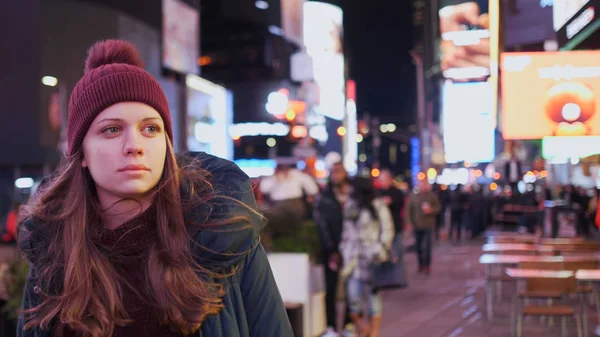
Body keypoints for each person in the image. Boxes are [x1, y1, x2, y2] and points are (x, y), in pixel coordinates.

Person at [17, 40, 292, 337]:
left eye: (150, 129)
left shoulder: (224, 236)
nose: (134, 146)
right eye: (112, 129)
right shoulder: (53, 251)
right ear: (81, 153)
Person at [339, 177, 394, 337]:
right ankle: (363, 329)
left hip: (372, 257)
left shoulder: (377, 205)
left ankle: (374, 333)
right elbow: (346, 231)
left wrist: (381, 249)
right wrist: (343, 249)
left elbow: (387, 228)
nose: (348, 190)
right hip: (353, 259)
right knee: (352, 298)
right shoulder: (350, 205)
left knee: (374, 299)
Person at [313, 162, 350, 337]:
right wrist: (331, 249)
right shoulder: (324, 196)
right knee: (331, 289)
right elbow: (321, 225)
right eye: (334, 172)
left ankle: (350, 325)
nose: (337, 175)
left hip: (351, 247)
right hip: (331, 249)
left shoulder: (351, 194)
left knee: (351, 288)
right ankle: (331, 327)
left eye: (339, 172)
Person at [405, 180, 441, 275]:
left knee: (428, 246)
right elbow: (409, 210)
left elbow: (438, 207)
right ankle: (420, 265)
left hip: (428, 224)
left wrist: (431, 210)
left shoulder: (432, 196)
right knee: (418, 247)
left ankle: (427, 265)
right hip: (417, 224)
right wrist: (409, 223)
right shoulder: (414, 196)